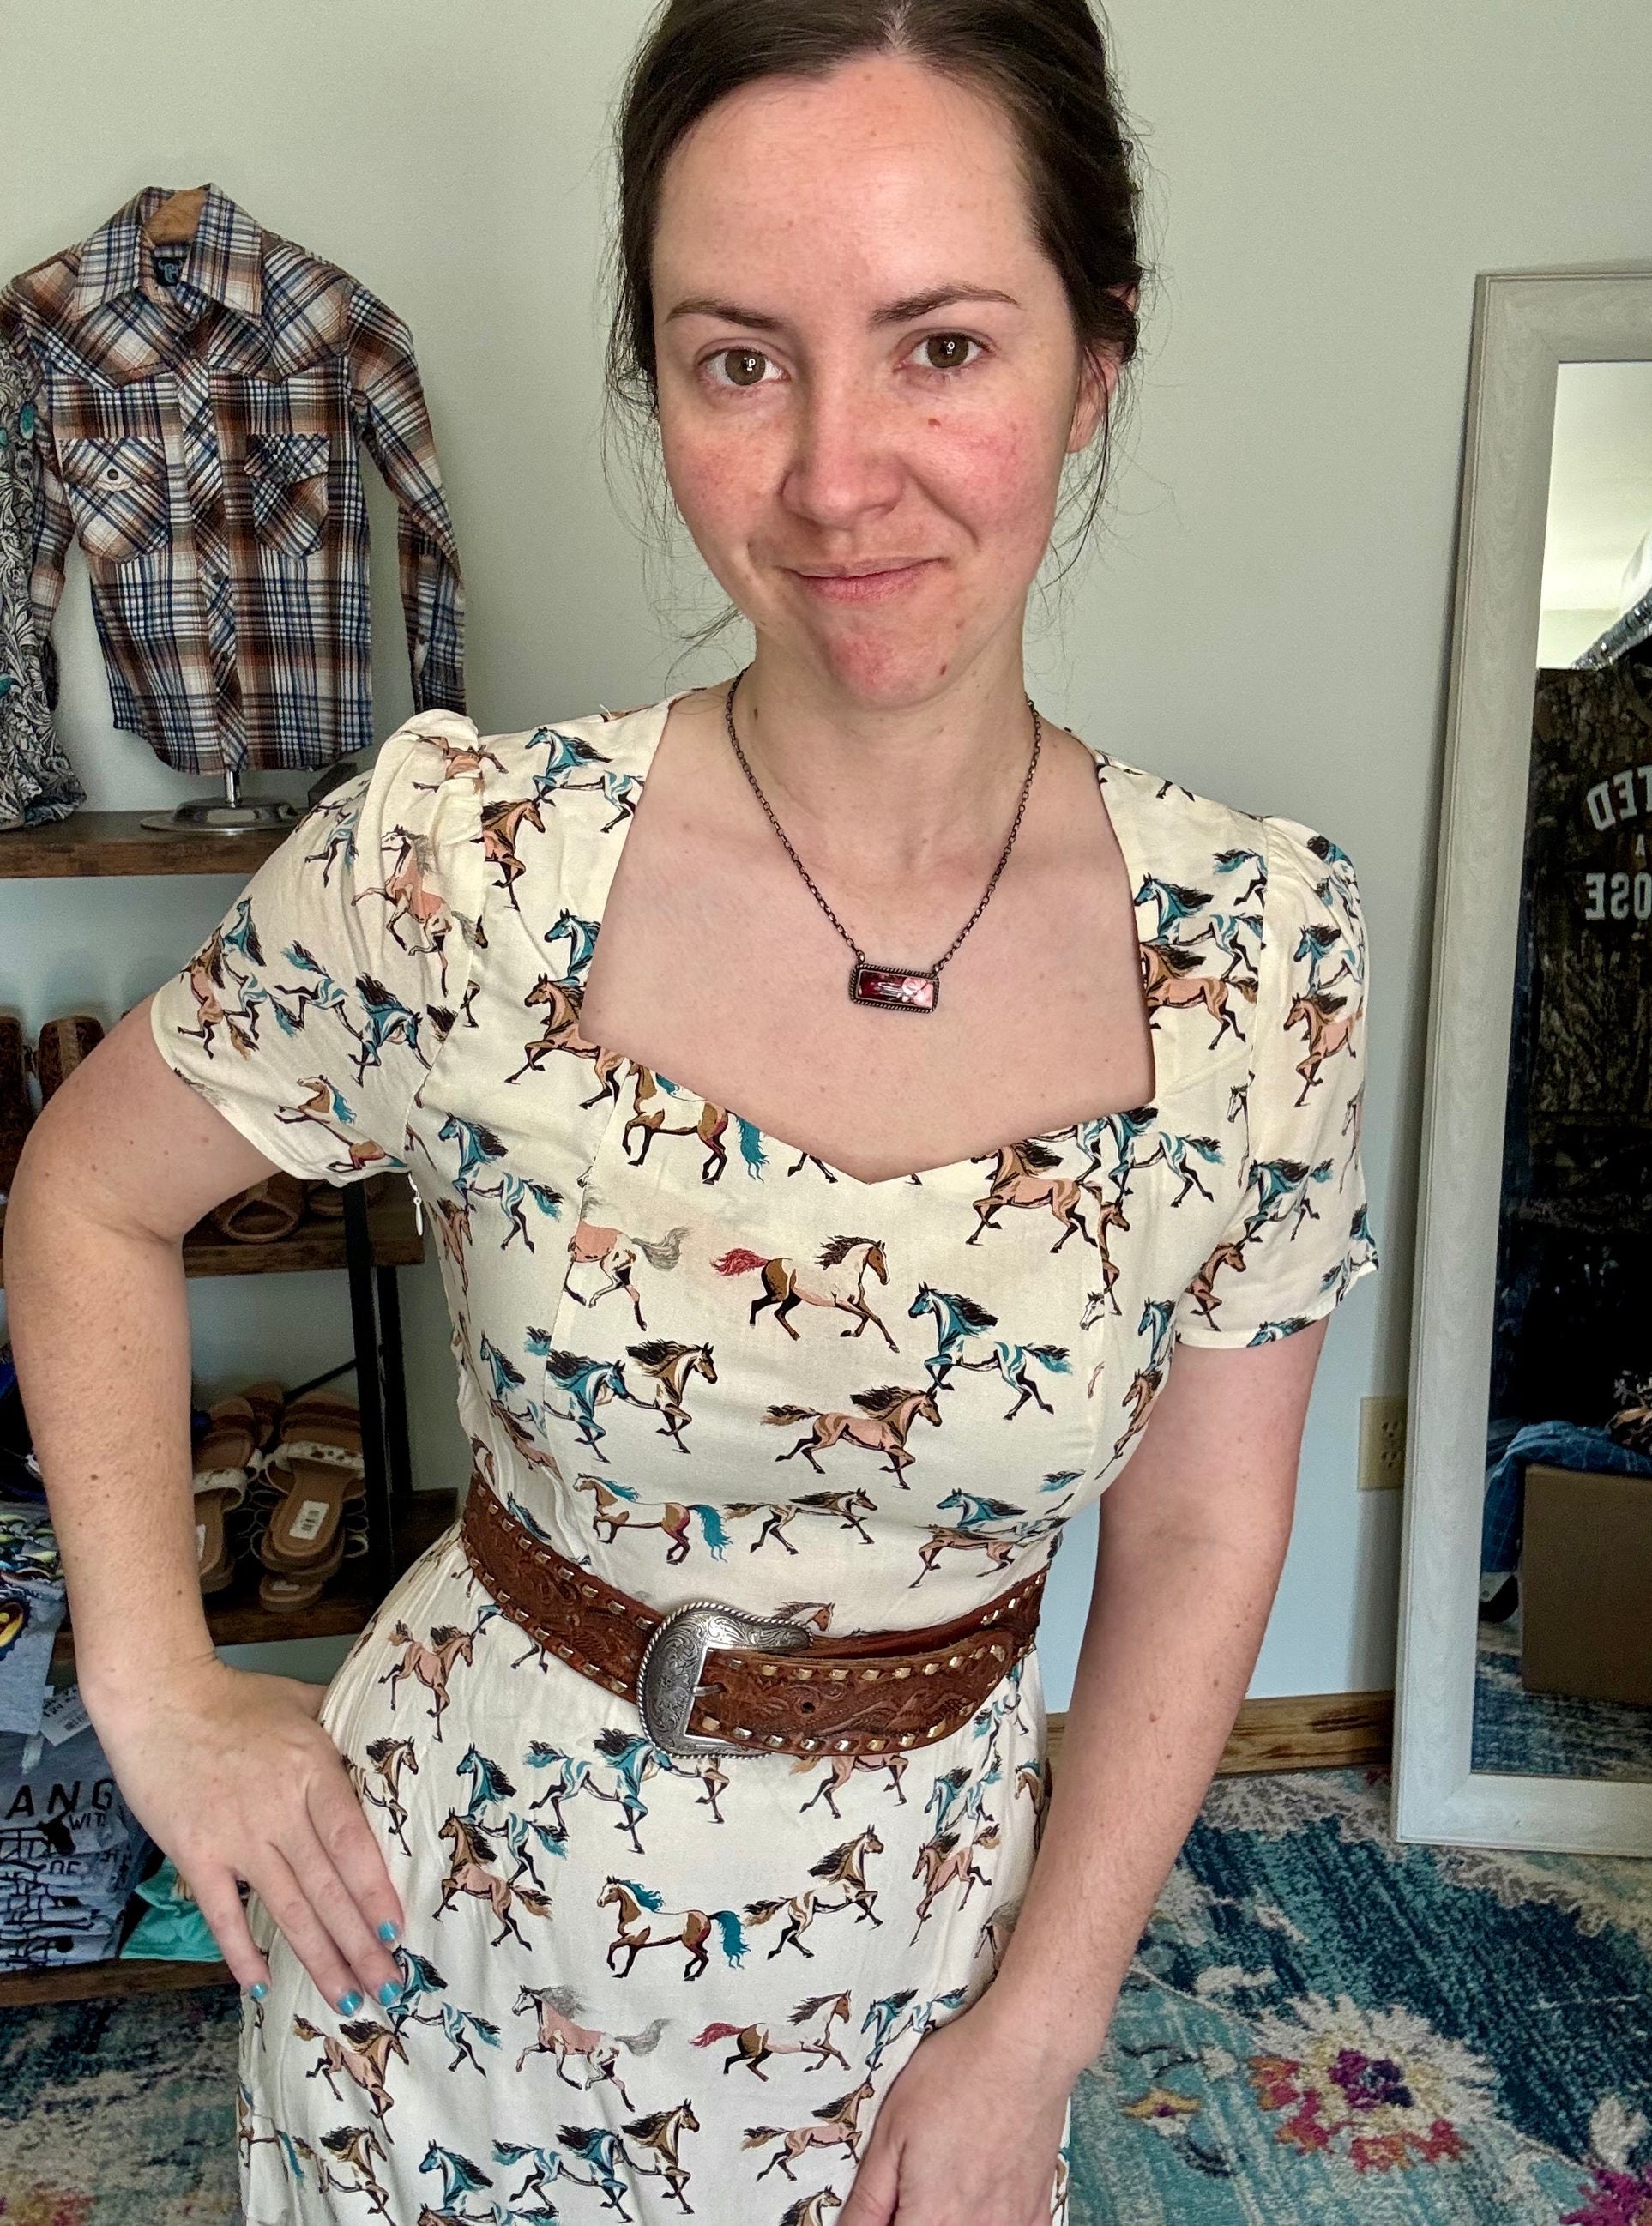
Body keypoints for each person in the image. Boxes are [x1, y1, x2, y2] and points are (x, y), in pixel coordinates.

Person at [4, 3, 1378, 2221]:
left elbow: (1205, 1528)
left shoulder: (1259, 953)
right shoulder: (462, 865)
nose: (837, 474)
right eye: (741, 360)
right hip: (441, 1926)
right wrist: (152, 1680)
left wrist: (1039, 2027)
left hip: (925, 1967)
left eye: (942, 346)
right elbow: (85, 1193)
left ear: (1093, 362)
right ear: (655, 383)